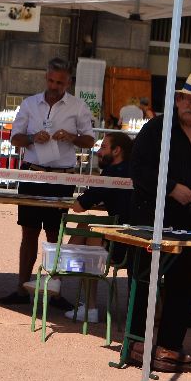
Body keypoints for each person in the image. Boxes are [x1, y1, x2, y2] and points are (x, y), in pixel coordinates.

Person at [127, 72, 191, 373]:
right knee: (145, 280)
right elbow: (139, 168)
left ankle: (170, 346)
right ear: (177, 99)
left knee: (186, 285)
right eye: (188, 99)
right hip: (153, 217)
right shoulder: (156, 128)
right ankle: (136, 343)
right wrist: (172, 187)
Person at [0, 57, 95, 308]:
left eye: (59, 82)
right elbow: (14, 138)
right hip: (32, 173)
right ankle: (21, 288)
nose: (54, 86)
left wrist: (71, 137)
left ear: (68, 82)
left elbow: (90, 140)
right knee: (28, 231)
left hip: (62, 176)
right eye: (51, 80)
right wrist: (32, 138)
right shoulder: (30, 103)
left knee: (55, 233)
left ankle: (53, 289)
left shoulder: (78, 106)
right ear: (46, 78)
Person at [65, 131, 134, 322]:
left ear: (117, 150)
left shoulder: (112, 173)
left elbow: (79, 206)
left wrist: (96, 197)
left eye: (103, 147)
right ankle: (59, 281)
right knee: (88, 227)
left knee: (88, 232)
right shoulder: (136, 170)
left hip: (124, 245)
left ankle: (88, 305)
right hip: (141, 240)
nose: (98, 151)